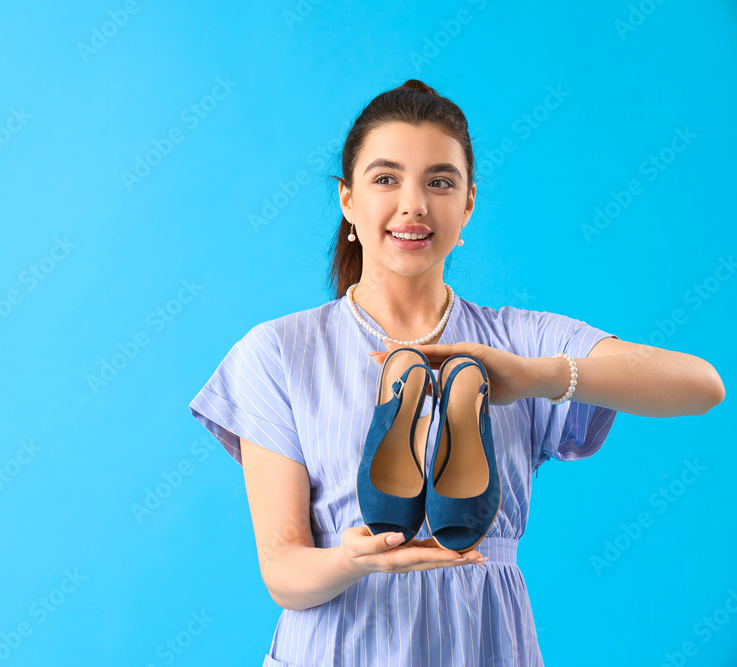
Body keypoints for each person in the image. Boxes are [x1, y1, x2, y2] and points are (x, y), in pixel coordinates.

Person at [187, 79, 725, 667]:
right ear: (348, 201)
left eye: (439, 182)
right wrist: (354, 561)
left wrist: (538, 377)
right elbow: (283, 570)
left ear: (468, 202)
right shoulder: (280, 352)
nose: (414, 204)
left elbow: (701, 386)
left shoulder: (520, 339)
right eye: (385, 178)